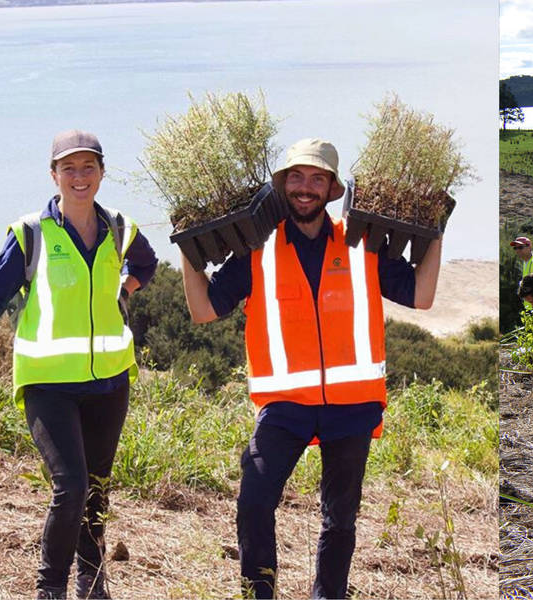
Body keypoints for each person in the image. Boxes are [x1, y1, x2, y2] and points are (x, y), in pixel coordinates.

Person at [179, 138, 441, 599]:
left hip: (353, 406)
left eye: (317, 179)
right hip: (284, 407)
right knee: (253, 502)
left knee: (339, 519)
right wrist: (189, 246)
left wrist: (435, 234)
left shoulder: (364, 245)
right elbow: (204, 310)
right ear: (281, 186)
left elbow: (421, 295)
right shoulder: (256, 250)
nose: (305, 188)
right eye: (296, 178)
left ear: (331, 189)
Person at [0, 130, 156, 599]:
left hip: (109, 381)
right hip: (48, 383)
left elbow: (147, 264)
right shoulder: (32, 232)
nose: (79, 177)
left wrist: (124, 290)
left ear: (101, 173)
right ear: (53, 175)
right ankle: (49, 589)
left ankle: (92, 582)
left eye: (88, 167)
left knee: (96, 488)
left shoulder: (118, 227)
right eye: (68, 168)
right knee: (70, 485)